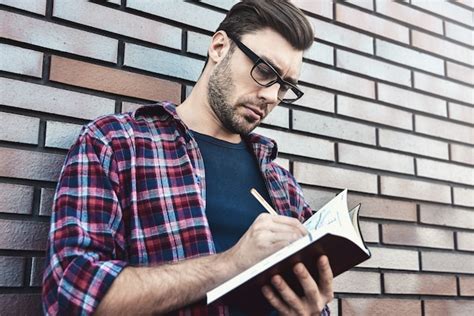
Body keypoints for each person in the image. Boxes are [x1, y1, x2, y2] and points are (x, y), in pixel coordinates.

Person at [42, 0, 334, 314]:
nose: (271, 96)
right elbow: (70, 292)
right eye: (264, 70)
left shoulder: (283, 184)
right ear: (220, 47)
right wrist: (231, 264)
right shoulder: (116, 144)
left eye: (285, 87)